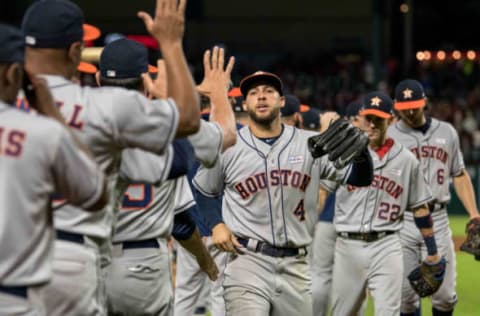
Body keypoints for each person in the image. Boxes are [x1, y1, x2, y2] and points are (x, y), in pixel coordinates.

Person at [20, 0, 200, 314]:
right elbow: (187, 121)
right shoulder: (103, 107)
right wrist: (170, 44)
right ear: (76, 50)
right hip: (71, 256)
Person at [193, 71, 374, 316]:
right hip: (247, 260)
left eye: (268, 91)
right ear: (245, 104)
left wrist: (363, 155)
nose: (261, 97)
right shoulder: (229, 145)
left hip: (296, 266)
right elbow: (204, 189)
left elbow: (360, 178)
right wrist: (216, 224)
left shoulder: (311, 145)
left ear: (281, 101)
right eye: (254, 93)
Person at [98, 38, 235, 315]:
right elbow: (181, 223)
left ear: (99, 79)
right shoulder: (165, 129)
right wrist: (217, 93)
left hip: (84, 255)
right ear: (146, 82)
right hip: (142, 259)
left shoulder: (76, 120)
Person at [0, 23, 107, 316]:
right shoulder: (39, 130)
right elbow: (95, 193)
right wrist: (50, 111)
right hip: (17, 295)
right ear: (14, 74)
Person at [330, 91, 443, 316]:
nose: (372, 125)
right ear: (360, 117)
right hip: (347, 245)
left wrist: (432, 251)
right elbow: (320, 194)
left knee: (389, 312)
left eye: (378, 119)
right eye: (368, 118)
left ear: (390, 120)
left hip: (387, 244)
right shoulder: (342, 153)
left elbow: (420, 207)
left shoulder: (407, 160)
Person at [389, 79, 480, 316]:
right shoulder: (389, 136)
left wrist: (474, 213)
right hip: (403, 221)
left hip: (438, 218)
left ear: (425, 103)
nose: (410, 111)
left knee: (445, 297)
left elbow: (459, 175)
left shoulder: (446, 131)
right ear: (396, 106)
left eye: (415, 106)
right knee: (406, 299)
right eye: (404, 107)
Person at [311, 102, 367, 316]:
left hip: (325, 218)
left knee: (320, 275)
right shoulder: (367, 146)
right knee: (355, 280)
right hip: (352, 223)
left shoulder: (333, 142)